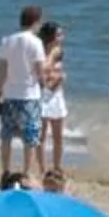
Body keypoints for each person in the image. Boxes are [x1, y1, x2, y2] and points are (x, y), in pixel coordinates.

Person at [0, 6, 46, 190]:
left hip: (10, 94)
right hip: (29, 95)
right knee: (29, 137)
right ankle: (26, 173)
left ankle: (5, 172)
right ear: (36, 22)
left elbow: (2, 69)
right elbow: (39, 71)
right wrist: (44, 84)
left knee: (7, 135)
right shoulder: (36, 43)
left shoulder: (8, 41)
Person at [35, 21, 70, 190]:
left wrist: (55, 77)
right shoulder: (41, 52)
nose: (62, 38)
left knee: (58, 136)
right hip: (43, 95)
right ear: (51, 37)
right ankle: (43, 170)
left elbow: (54, 72)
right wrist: (53, 76)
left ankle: (57, 168)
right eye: (59, 35)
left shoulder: (59, 52)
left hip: (56, 96)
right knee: (41, 136)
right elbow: (43, 72)